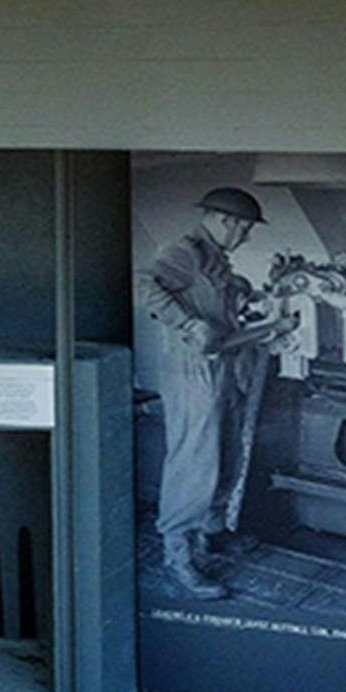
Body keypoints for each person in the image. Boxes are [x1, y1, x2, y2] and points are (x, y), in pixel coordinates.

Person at [143, 187, 265, 600]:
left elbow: (211, 296)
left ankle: (211, 530)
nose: (246, 236)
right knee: (194, 461)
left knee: (226, 451)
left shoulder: (215, 258)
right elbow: (142, 284)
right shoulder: (184, 251)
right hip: (192, 371)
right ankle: (178, 558)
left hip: (224, 366)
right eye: (244, 228)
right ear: (225, 221)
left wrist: (240, 290)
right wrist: (188, 324)